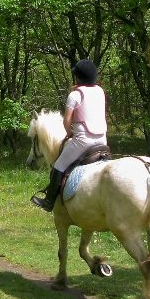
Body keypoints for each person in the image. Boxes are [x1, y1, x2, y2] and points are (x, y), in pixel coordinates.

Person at [31, 59, 107, 212]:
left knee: (58, 166)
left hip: (83, 141)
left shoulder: (75, 95)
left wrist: (70, 134)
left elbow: (66, 121)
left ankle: (48, 202)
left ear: (78, 77)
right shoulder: (100, 91)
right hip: (102, 139)